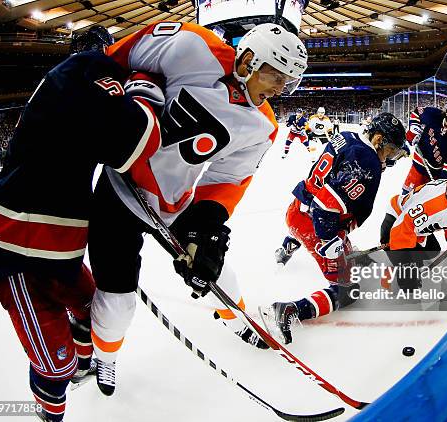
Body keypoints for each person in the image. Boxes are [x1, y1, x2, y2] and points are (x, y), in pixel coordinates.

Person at [87, 22, 308, 395]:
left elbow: (228, 178)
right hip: (118, 193)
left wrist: (204, 226)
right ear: (249, 60)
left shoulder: (262, 125)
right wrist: (107, 80)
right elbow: (120, 57)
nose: (280, 89)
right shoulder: (191, 45)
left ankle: (238, 320)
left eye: (288, 81)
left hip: (173, 201)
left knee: (217, 270)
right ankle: (104, 356)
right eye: (276, 76)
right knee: (117, 303)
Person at [0, 49, 162, 422]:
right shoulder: (88, 71)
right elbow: (133, 143)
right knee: (54, 365)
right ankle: (51, 413)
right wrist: (143, 90)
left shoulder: (65, 84)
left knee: (87, 308)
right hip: (21, 258)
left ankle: (79, 368)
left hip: (48, 247)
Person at [266, 112, 408, 344]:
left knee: (336, 244)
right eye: (390, 149)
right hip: (316, 223)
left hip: (299, 209)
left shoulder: (348, 136)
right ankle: (289, 310)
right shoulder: (367, 161)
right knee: (348, 289)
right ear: (378, 138)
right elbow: (326, 204)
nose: (390, 155)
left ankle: (287, 247)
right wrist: (327, 239)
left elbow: (339, 174)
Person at [380, 167, 447, 291]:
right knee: (409, 285)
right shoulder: (433, 204)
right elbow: (401, 229)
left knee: (433, 250)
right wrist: (405, 266)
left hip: (415, 228)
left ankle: (407, 262)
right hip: (395, 220)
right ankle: (392, 266)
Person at [402, 98, 447, 194]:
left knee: (427, 203)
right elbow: (417, 112)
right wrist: (414, 128)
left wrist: (439, 183)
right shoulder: (434, 115)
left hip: (435, 175)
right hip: (419, 164)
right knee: (406, 196)